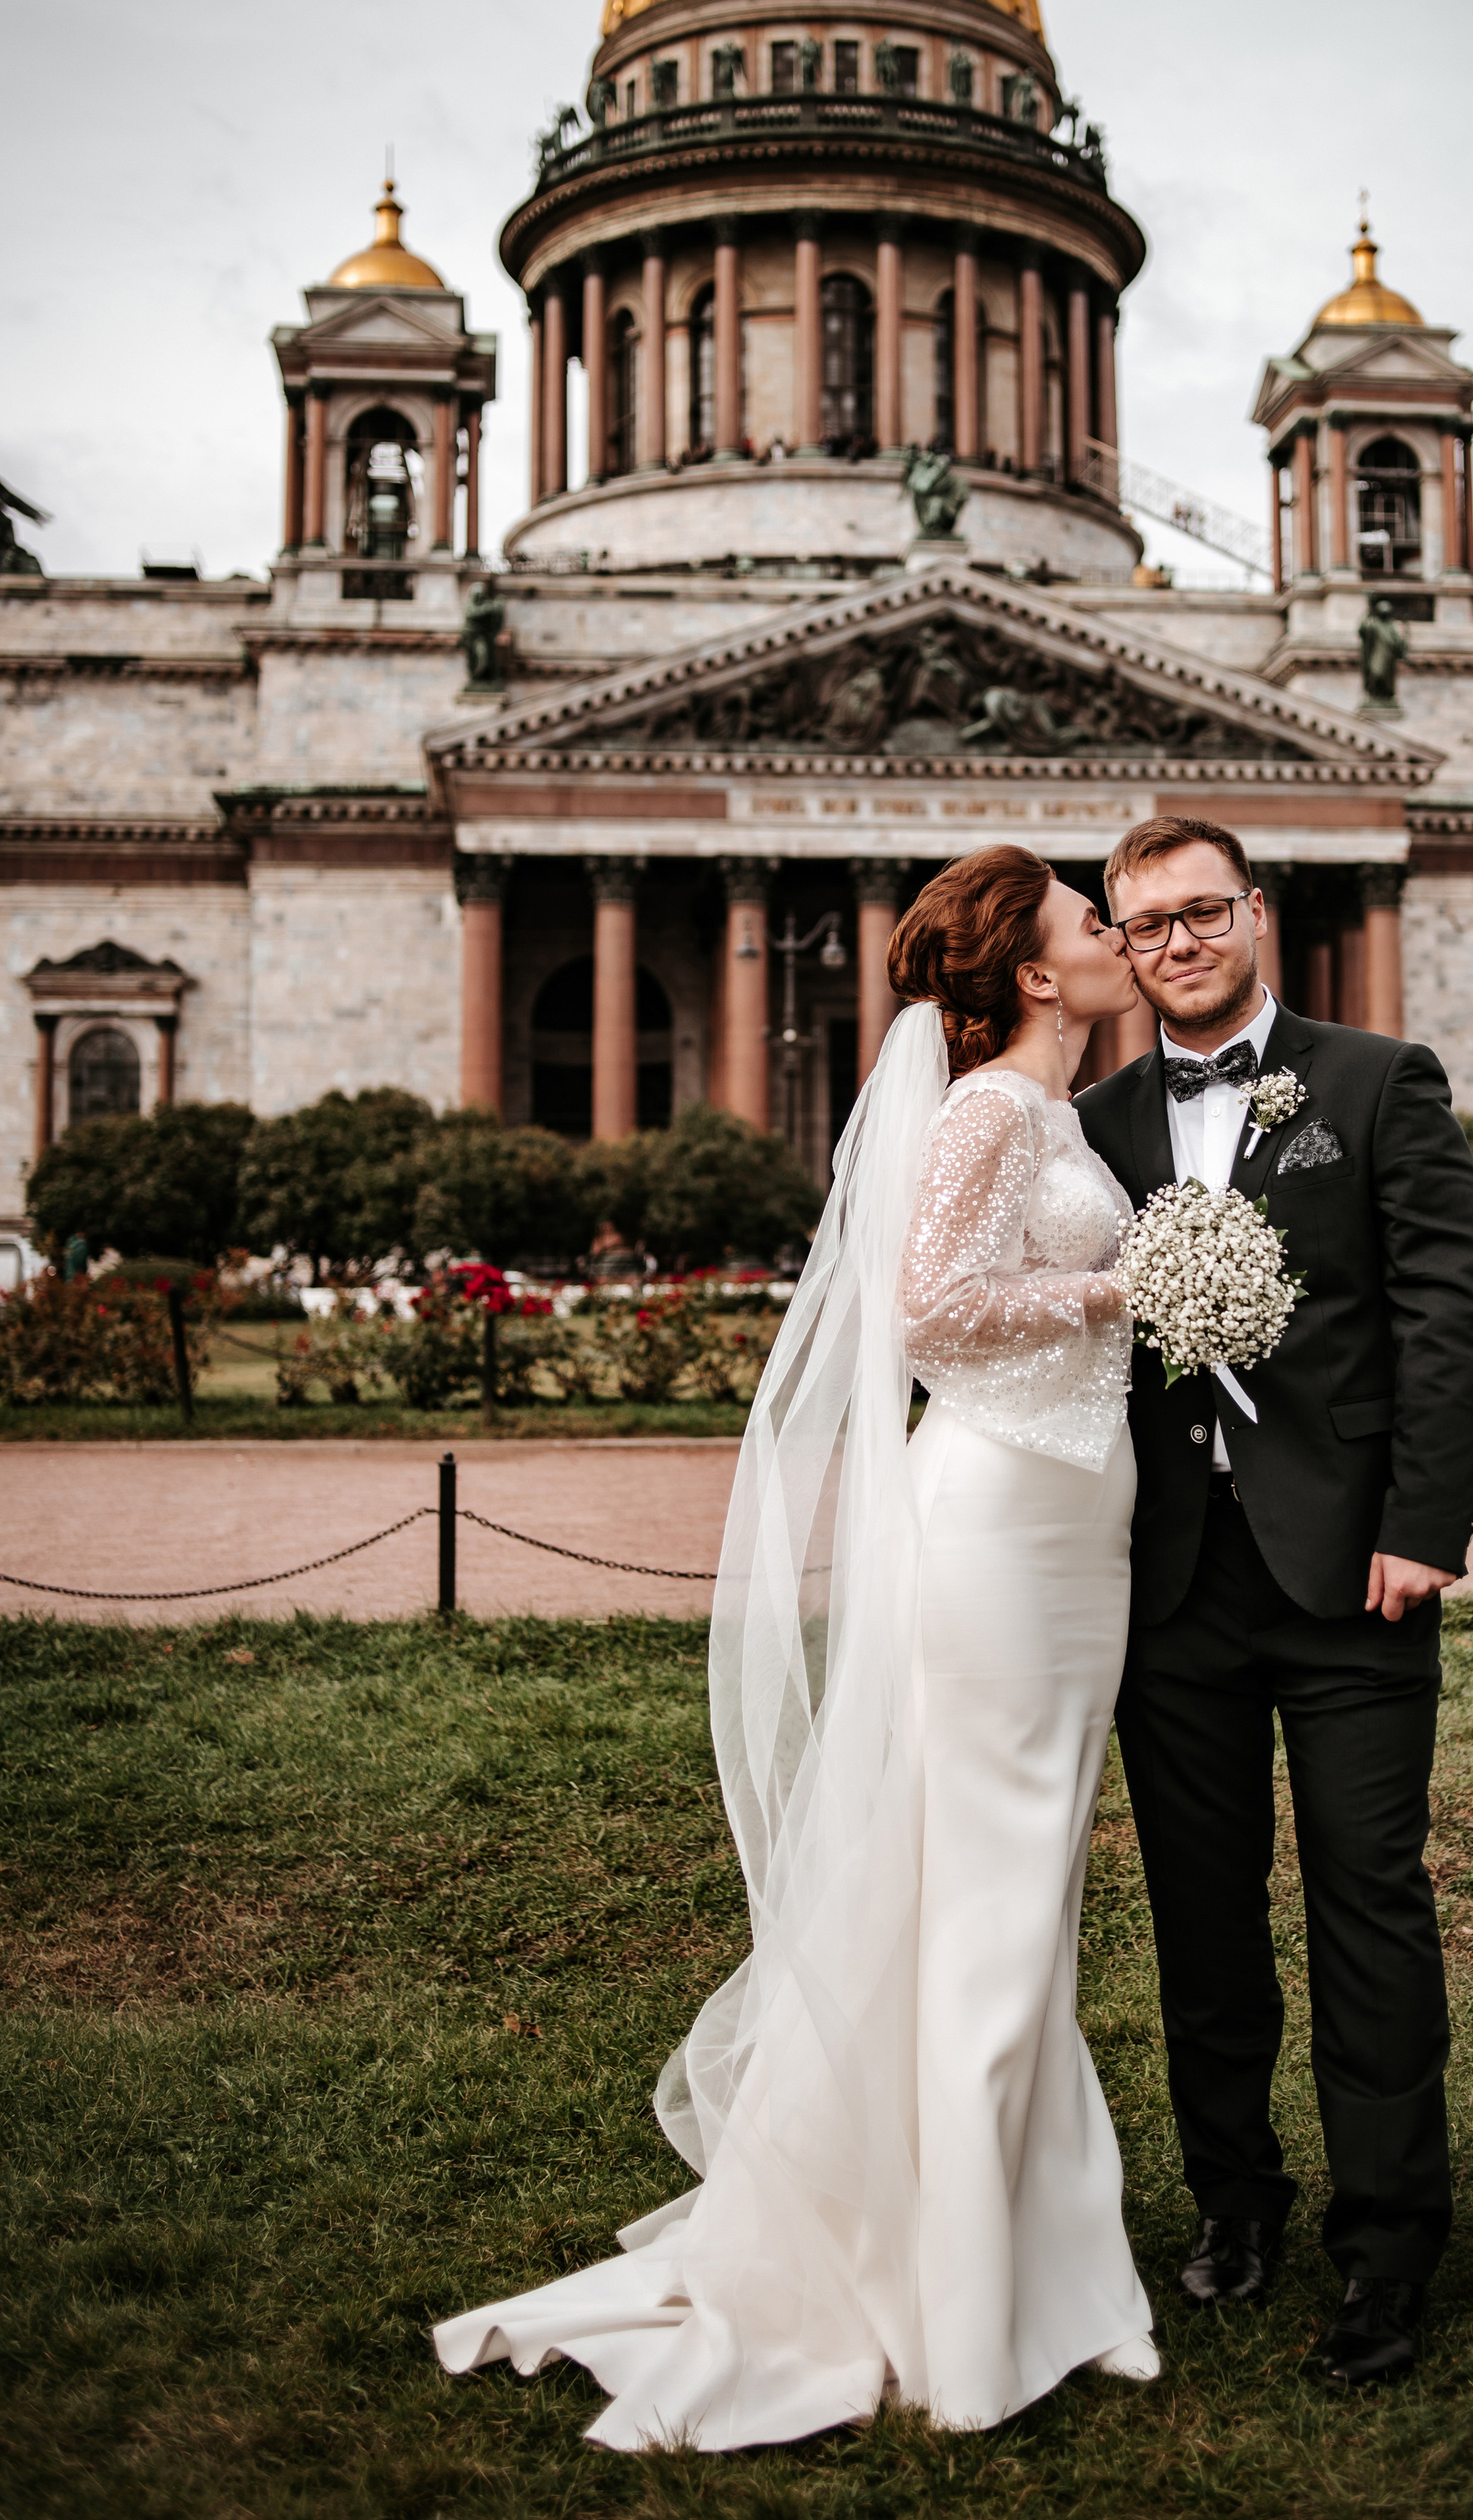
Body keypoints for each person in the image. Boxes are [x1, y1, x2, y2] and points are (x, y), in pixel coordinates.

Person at [434, 845, 1155, 2449]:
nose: (1117, 937)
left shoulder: (1048, 1115)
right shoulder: (981, 1111)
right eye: (1091, 922)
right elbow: (927, 1309)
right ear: (1035, 973)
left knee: (1020, 1902)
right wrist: (1124, 1287)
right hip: (995, 1524)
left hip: (1066, 1529)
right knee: (985, 1892)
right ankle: (964, 2310)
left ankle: (1048, 2265)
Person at [1077, 817, 1473, 2388]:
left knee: (1366, 1913)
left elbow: (1447, 1312)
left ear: (1254, 915)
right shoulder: (1094, 1121)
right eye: (1144, 927)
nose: (1174, 944)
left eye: (1199, 914)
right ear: (1117, 948)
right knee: (1199, 1921)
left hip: (1350, 1582)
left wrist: (1422, 1527)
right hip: (1168, 1587)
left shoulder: (1376, 1083)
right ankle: (1231, 2205)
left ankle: (1386, 2249)